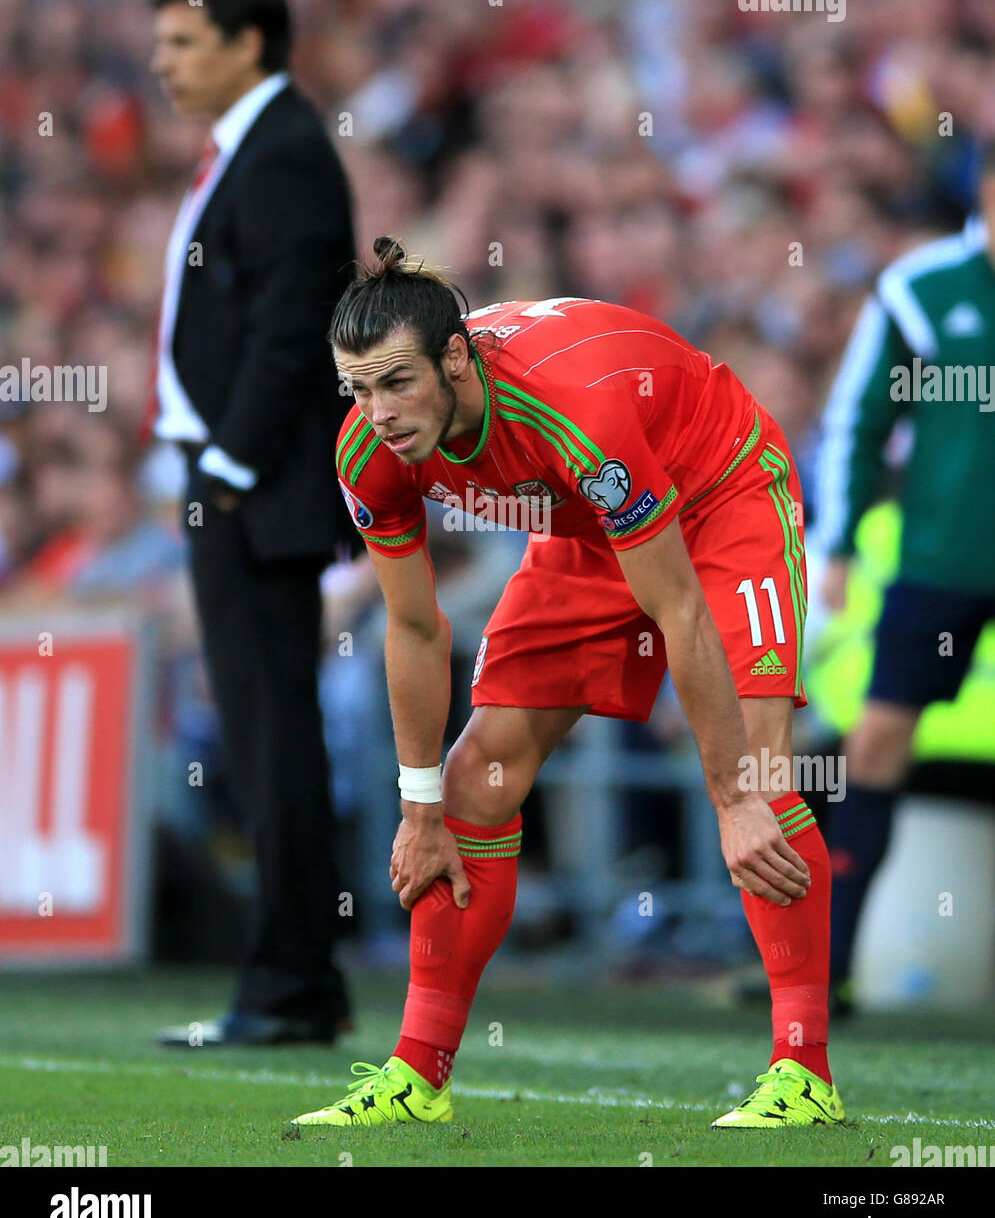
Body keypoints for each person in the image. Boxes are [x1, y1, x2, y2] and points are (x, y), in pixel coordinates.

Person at [287, 237, 844, 1128]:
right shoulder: (369, 453)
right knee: (474, 782)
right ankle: (417, 1075)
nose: (377, 411)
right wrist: (420, 807)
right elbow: (415, 626)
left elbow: (681, 611)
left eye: (397, 383)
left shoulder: (568, 409)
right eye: (357, 388)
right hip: (589, 531)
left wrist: (734, 794)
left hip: (717, 490)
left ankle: (802, 1072)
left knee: (766, 784)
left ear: (457, 360)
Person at [148, 0, 356, 1046]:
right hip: (239, 481)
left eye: (182, 42)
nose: (162, 62)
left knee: (275, 738)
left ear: (247, 41)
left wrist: (226, 465)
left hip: (254, 490)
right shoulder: (258, 146)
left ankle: (291, 985)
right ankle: (292, 980)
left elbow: (290, 324)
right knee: (266, 734)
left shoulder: (279, 153)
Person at [816, 145, 995, 1014]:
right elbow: (860, 414)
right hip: (942, 557)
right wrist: (840, 541)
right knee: (877, 740)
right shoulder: (921, 288)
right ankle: (833, 962)